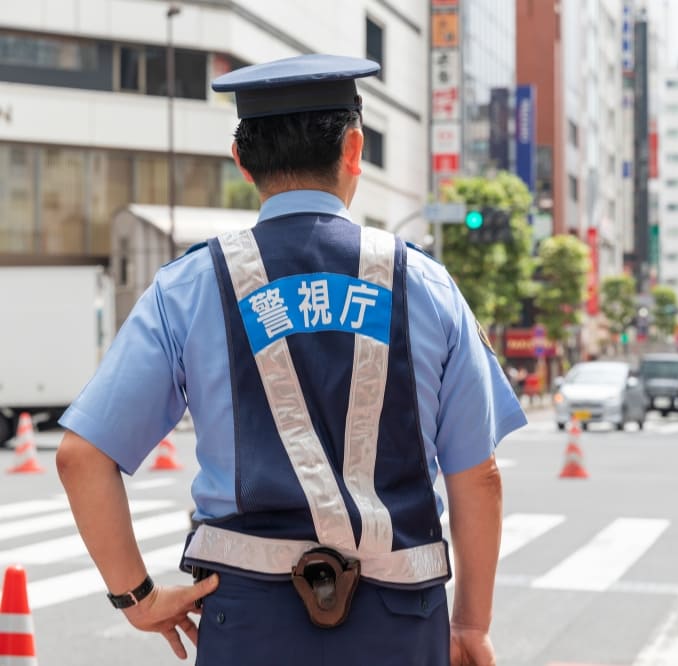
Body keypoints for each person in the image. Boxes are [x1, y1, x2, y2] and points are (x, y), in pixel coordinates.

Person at [54, 54, 526, 665]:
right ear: (354, 149)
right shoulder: (426, 286)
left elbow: (82, 456)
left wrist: (138, 597)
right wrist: (469, 627)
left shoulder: (192, 285)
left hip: (247, 621)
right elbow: (479, 476)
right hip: (404, 625)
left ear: (243, 162)